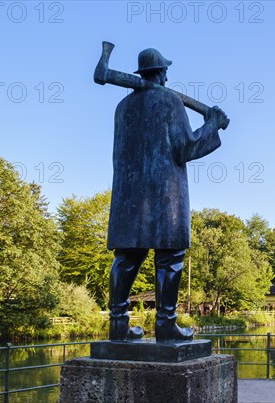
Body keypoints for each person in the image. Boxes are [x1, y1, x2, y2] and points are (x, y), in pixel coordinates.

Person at [106, 48, 228, 342]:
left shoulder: (123, 108)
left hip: (128, 194)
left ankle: (118, 324)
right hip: (165, 194)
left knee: (126, 257)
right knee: (170, 257)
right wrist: (212, 123)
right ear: (161, 73)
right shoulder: (170, 101)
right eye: (166, 71)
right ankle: (165, 324)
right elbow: (185, 148)